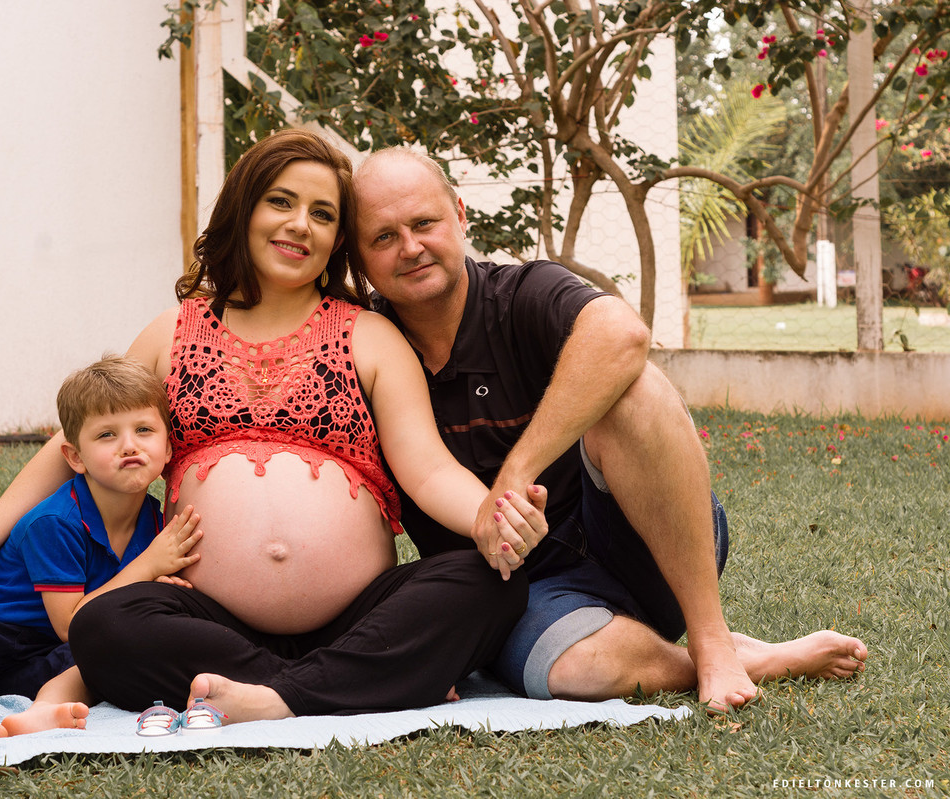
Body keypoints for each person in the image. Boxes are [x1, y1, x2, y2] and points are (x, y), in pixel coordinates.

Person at [0, 129, 544, 725]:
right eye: (281, 201)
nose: (300, 224)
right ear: (243, 209)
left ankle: (274, 696)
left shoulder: (370, 335)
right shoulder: (173, 332)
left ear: (339, 241)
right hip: (207, 622)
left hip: (359, 615)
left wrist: (492, 516)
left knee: (487, 582)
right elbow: (78, 442)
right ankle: (357, 681)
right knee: (102, 625)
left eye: (323, 213)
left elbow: (430, 468)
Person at [353, 146, 869, 713]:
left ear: (459, 214)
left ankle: (713, 639)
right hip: (519, 594)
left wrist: (514, 475)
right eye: (383, 237)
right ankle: (747, 659)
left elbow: (622, 334)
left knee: (633, 387)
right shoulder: (365, 349)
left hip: (650, 543)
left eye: (424, 223)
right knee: (580, 670)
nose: (410, 247)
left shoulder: (520, 295)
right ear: (358, 254)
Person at [0, 356, 201, 736]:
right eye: (106, 435)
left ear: (169, 450)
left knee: (118, 642)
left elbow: (96, 626)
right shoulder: (56, 521)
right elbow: (70, 623)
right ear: (74, 457)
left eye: (144, 430)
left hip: (58, 661)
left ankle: (43, 710)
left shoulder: (153, 521)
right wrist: (148, 567)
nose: (128, 445)